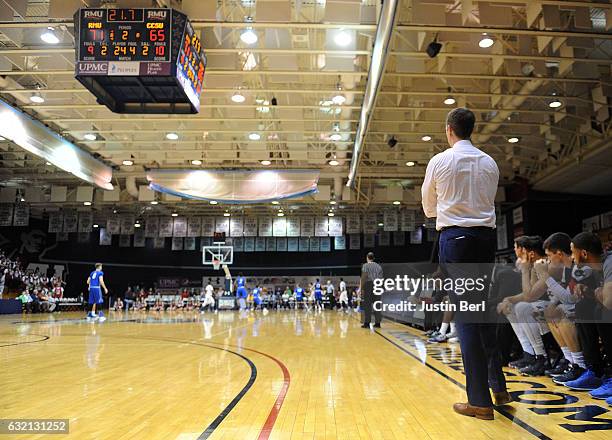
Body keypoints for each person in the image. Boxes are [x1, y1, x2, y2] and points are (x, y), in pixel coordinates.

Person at [421, 107, 509, 420]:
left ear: (449, 130)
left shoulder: (440, 161)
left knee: (467, 316)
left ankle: (480, 401)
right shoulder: (490, 162)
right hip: (486, 240)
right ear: (471, 129)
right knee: (483, 311)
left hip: (456, 240)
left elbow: (429, 209)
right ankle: (498, 387)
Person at [360, 252, 383, 329]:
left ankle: (367, 322)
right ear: (373, 258)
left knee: (367, 304)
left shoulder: (365, 265)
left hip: (369, 284)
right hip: (377, 285)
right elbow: (381, 278)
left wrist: (361, 287)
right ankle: (378, 323)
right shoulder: (379, 266)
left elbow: (364, 276)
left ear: (367, 258)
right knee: (377, 304)